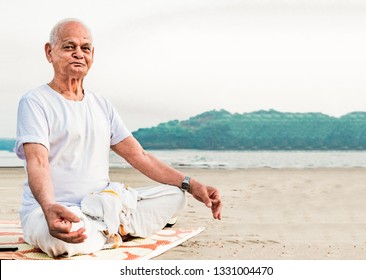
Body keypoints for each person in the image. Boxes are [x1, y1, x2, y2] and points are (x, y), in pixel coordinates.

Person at [15, 18, 222, 257]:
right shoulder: (35, 101)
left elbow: (140, 156)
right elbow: (37, 161)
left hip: (102, 203)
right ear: (49, 52)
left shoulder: (101, 104)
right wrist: (49, 206)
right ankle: (115, 229)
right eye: (69, 47)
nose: (78, 54)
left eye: (85, 48)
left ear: (92, 54)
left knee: (176, 195)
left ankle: (105, 230)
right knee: (59, 242)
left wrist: (192, 184)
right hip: (52, 210)